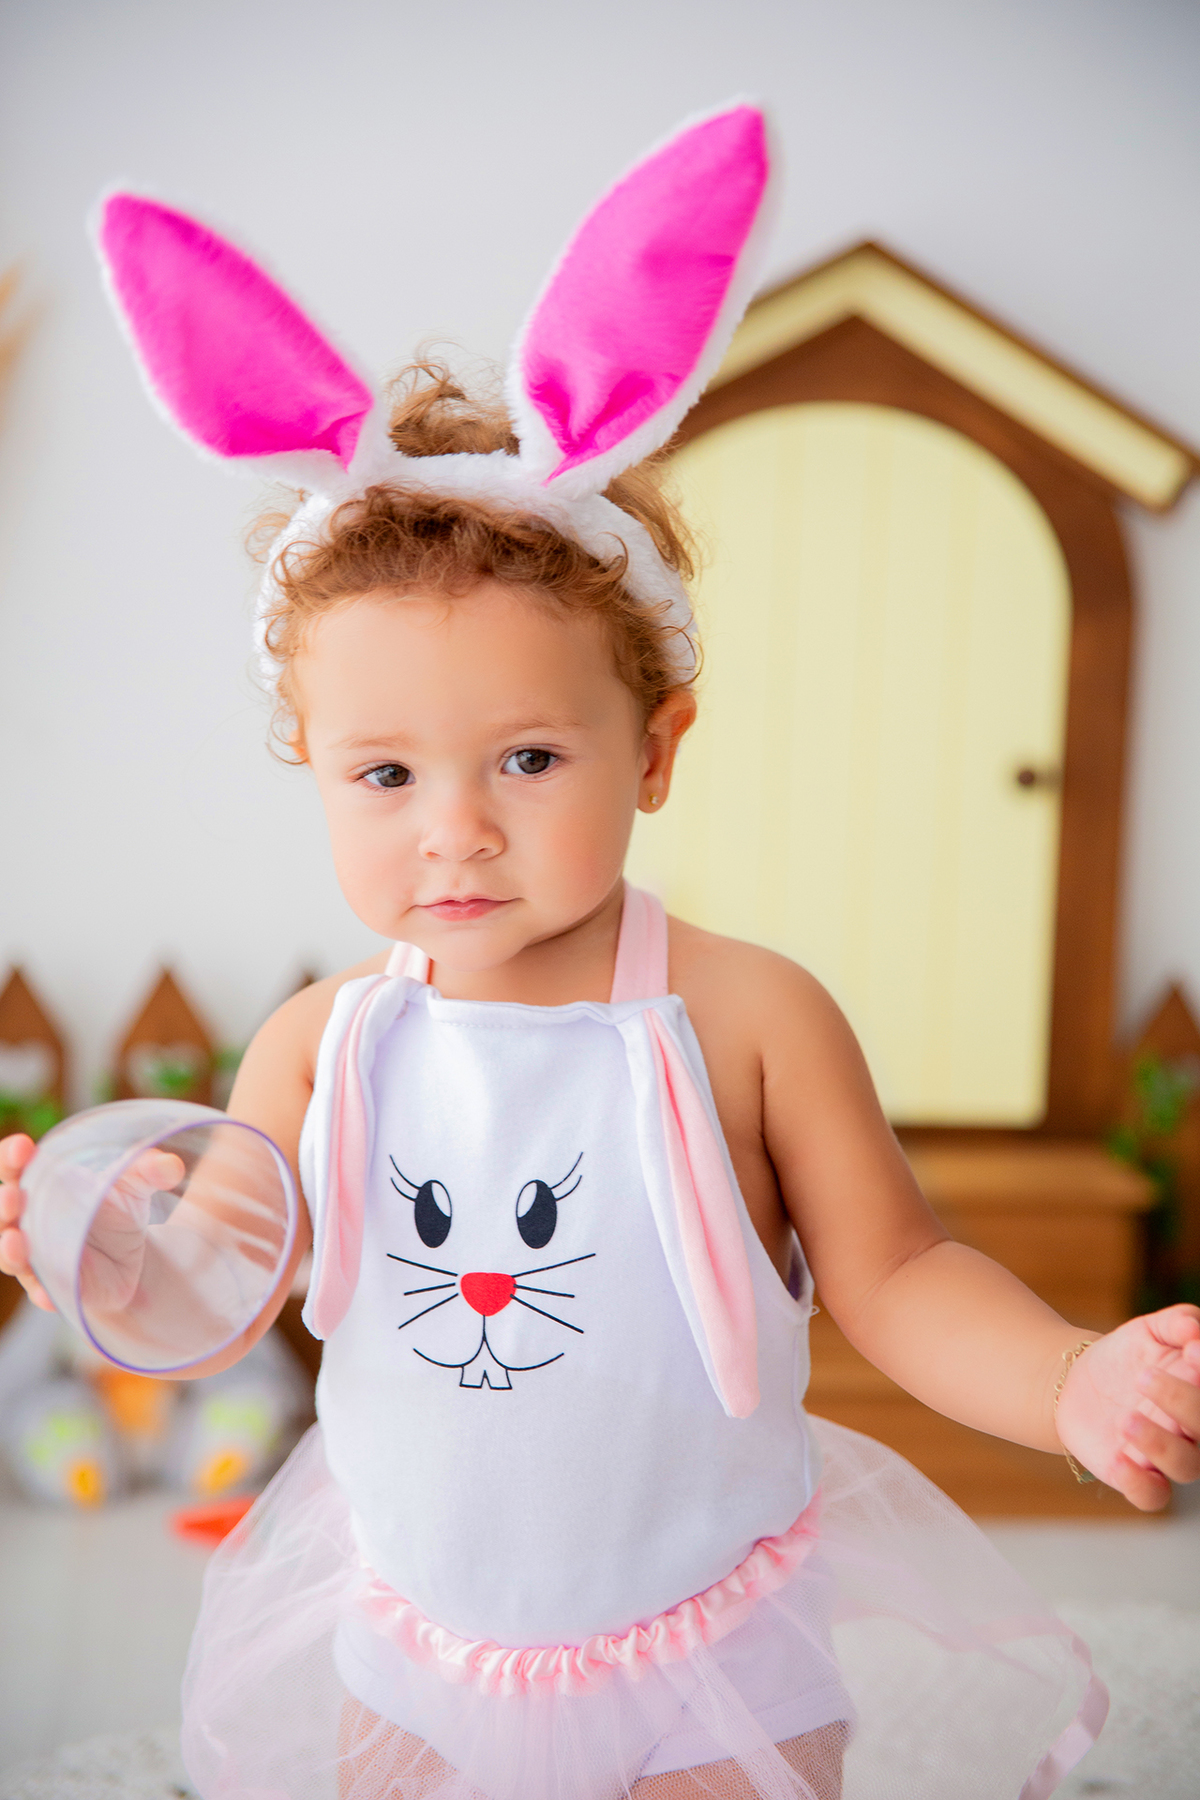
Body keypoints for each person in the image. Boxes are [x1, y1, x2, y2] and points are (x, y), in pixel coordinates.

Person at [2, 104, 1199, 1800]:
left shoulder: (749, 1014)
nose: (457, 829)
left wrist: (1072, 1380)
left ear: (656, 748)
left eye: (530, 759)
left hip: (702, 1634)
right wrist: (95, 1257)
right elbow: (213, 1282)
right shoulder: (319, 1045)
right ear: (316, 769)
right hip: (417, 1623)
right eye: (387, 774)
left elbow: (896, 1274)